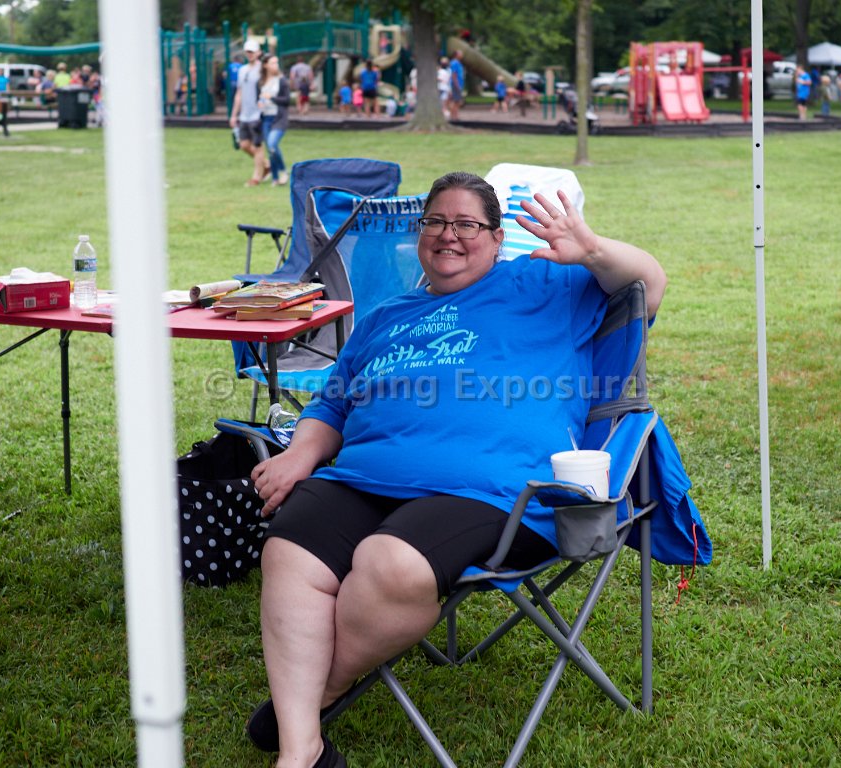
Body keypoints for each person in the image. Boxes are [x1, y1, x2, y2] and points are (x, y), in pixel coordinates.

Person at [243, 171, 667, 768]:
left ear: (496, 238)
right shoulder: (385, 316)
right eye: (436, 222)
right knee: (290, 553)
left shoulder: (548, 284)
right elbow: (331, 405)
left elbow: (648, 284)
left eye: (467, 224)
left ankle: (320, 693)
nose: (449, 234)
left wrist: (592, 249)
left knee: (390, 564)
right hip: (362, 478)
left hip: (492, 489)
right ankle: (301, 750)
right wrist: (299, 454)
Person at [229, 39, 268, 187]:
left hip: (257, 114)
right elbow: (239, 93)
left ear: (258, 52)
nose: (249, 54)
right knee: (244, 144)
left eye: (252, 51)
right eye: (247, 51)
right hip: (244, 115)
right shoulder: (242, 70)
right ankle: (266, 165)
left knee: (258, 146)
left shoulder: (262, 69)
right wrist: (234, 114)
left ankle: (256, 178)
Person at [258, 53, 290, 186]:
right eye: (272, 63)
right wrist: (260, 103)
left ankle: (283, 171)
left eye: (276, 63)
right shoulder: (262, 81)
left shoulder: (281, 80)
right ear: (265, 65)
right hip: (266, 118)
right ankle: (275, 178)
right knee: (270, 149)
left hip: (279, 118)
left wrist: (271, 97)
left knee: (272, 144)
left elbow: (287, 100)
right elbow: (260, 97)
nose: (275, 65)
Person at [448, 49, 465, 120]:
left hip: (459, 84)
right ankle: (453, 116)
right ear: (456, 55)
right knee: (456, 101)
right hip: (456, 84)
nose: (462, 55)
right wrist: (457, 85)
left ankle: (455, 116)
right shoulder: (454, 63)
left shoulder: (458, 63)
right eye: (460, 53)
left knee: (457, 101)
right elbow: (454, 75)